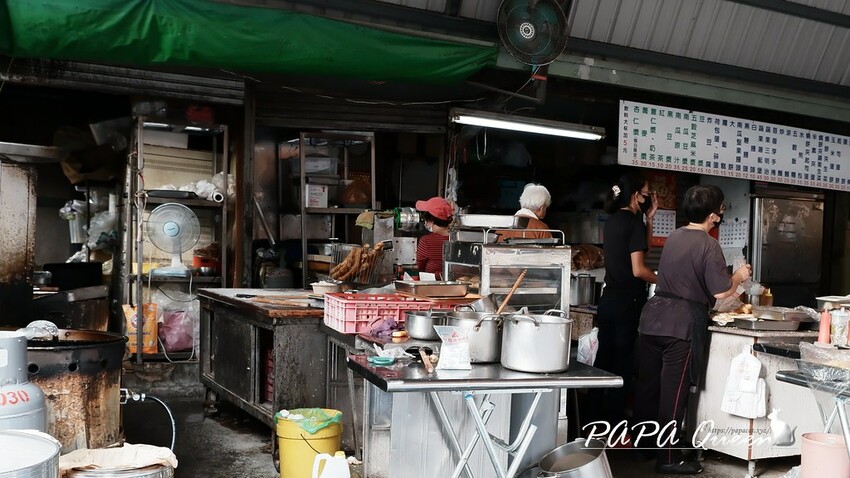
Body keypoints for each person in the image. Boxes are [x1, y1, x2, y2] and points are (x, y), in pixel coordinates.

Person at [632, 185, 751, 475]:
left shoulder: (675, 235)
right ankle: (669, 459)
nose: (722, 212)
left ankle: (644, 449)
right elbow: (722, 292)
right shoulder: (708, 244)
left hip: (651, 319)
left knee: (648, 388)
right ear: (713, 215)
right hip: (681, 324)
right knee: (673, 394)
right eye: (721, 208)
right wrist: (739, 275)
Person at [589, 172, 658, 433]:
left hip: (609, 301)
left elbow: (643, 248)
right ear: (635, 194)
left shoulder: (615, 220)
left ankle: (593, 423)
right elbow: (639, 269)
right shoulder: (632, 222)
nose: (649, 196)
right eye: (647, 192)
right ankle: (616, 428)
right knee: (622, 367)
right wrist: (663, 280)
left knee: (603, 362)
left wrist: (649, 220)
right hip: (628, 303)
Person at [414, 196, 453, 279]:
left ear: (431, 220)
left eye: (426, 220)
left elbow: (420, 265)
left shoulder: (426, 241)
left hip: (431, 285)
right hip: (455, 284)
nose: (426, 223)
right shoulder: (456, 239)